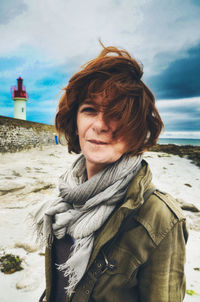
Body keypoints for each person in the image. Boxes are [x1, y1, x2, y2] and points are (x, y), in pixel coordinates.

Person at [34, 43, 188, 302]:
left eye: (117, 114)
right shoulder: (67, 197)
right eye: (90, 110)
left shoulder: (161, 219)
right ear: (76, 121)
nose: (100, 125)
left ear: (137, 131)